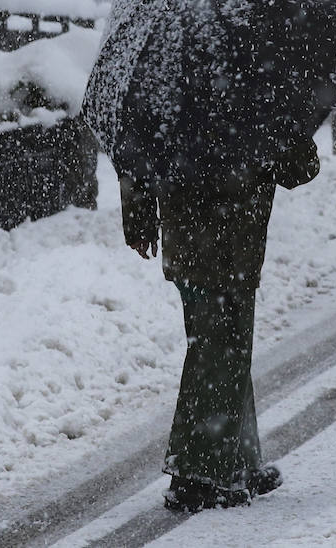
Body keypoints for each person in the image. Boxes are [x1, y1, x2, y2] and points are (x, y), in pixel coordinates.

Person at [118, 136, 321, 512]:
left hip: (211, 247)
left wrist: (140, 216)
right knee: (216, 355)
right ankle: (197, 476)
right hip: (219, 248)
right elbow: (300, 169)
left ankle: (238, 463)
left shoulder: (173, 91)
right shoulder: (255, 90)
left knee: (228, 352)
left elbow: (137, 154)